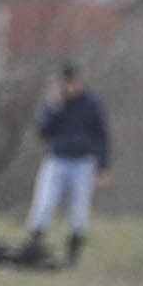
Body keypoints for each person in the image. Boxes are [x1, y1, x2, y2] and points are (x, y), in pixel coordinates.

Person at [18, 65, 110, 267]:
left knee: (78, 211)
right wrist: (54, 108)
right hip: (57, 159)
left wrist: (103, 167)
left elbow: (102, 136)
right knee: (44, 204)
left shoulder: (91, 105)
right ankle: (34, 247)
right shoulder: (54, 104)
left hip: (83, 163)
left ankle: (72, 257)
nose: (69, 88)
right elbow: (43, 131)